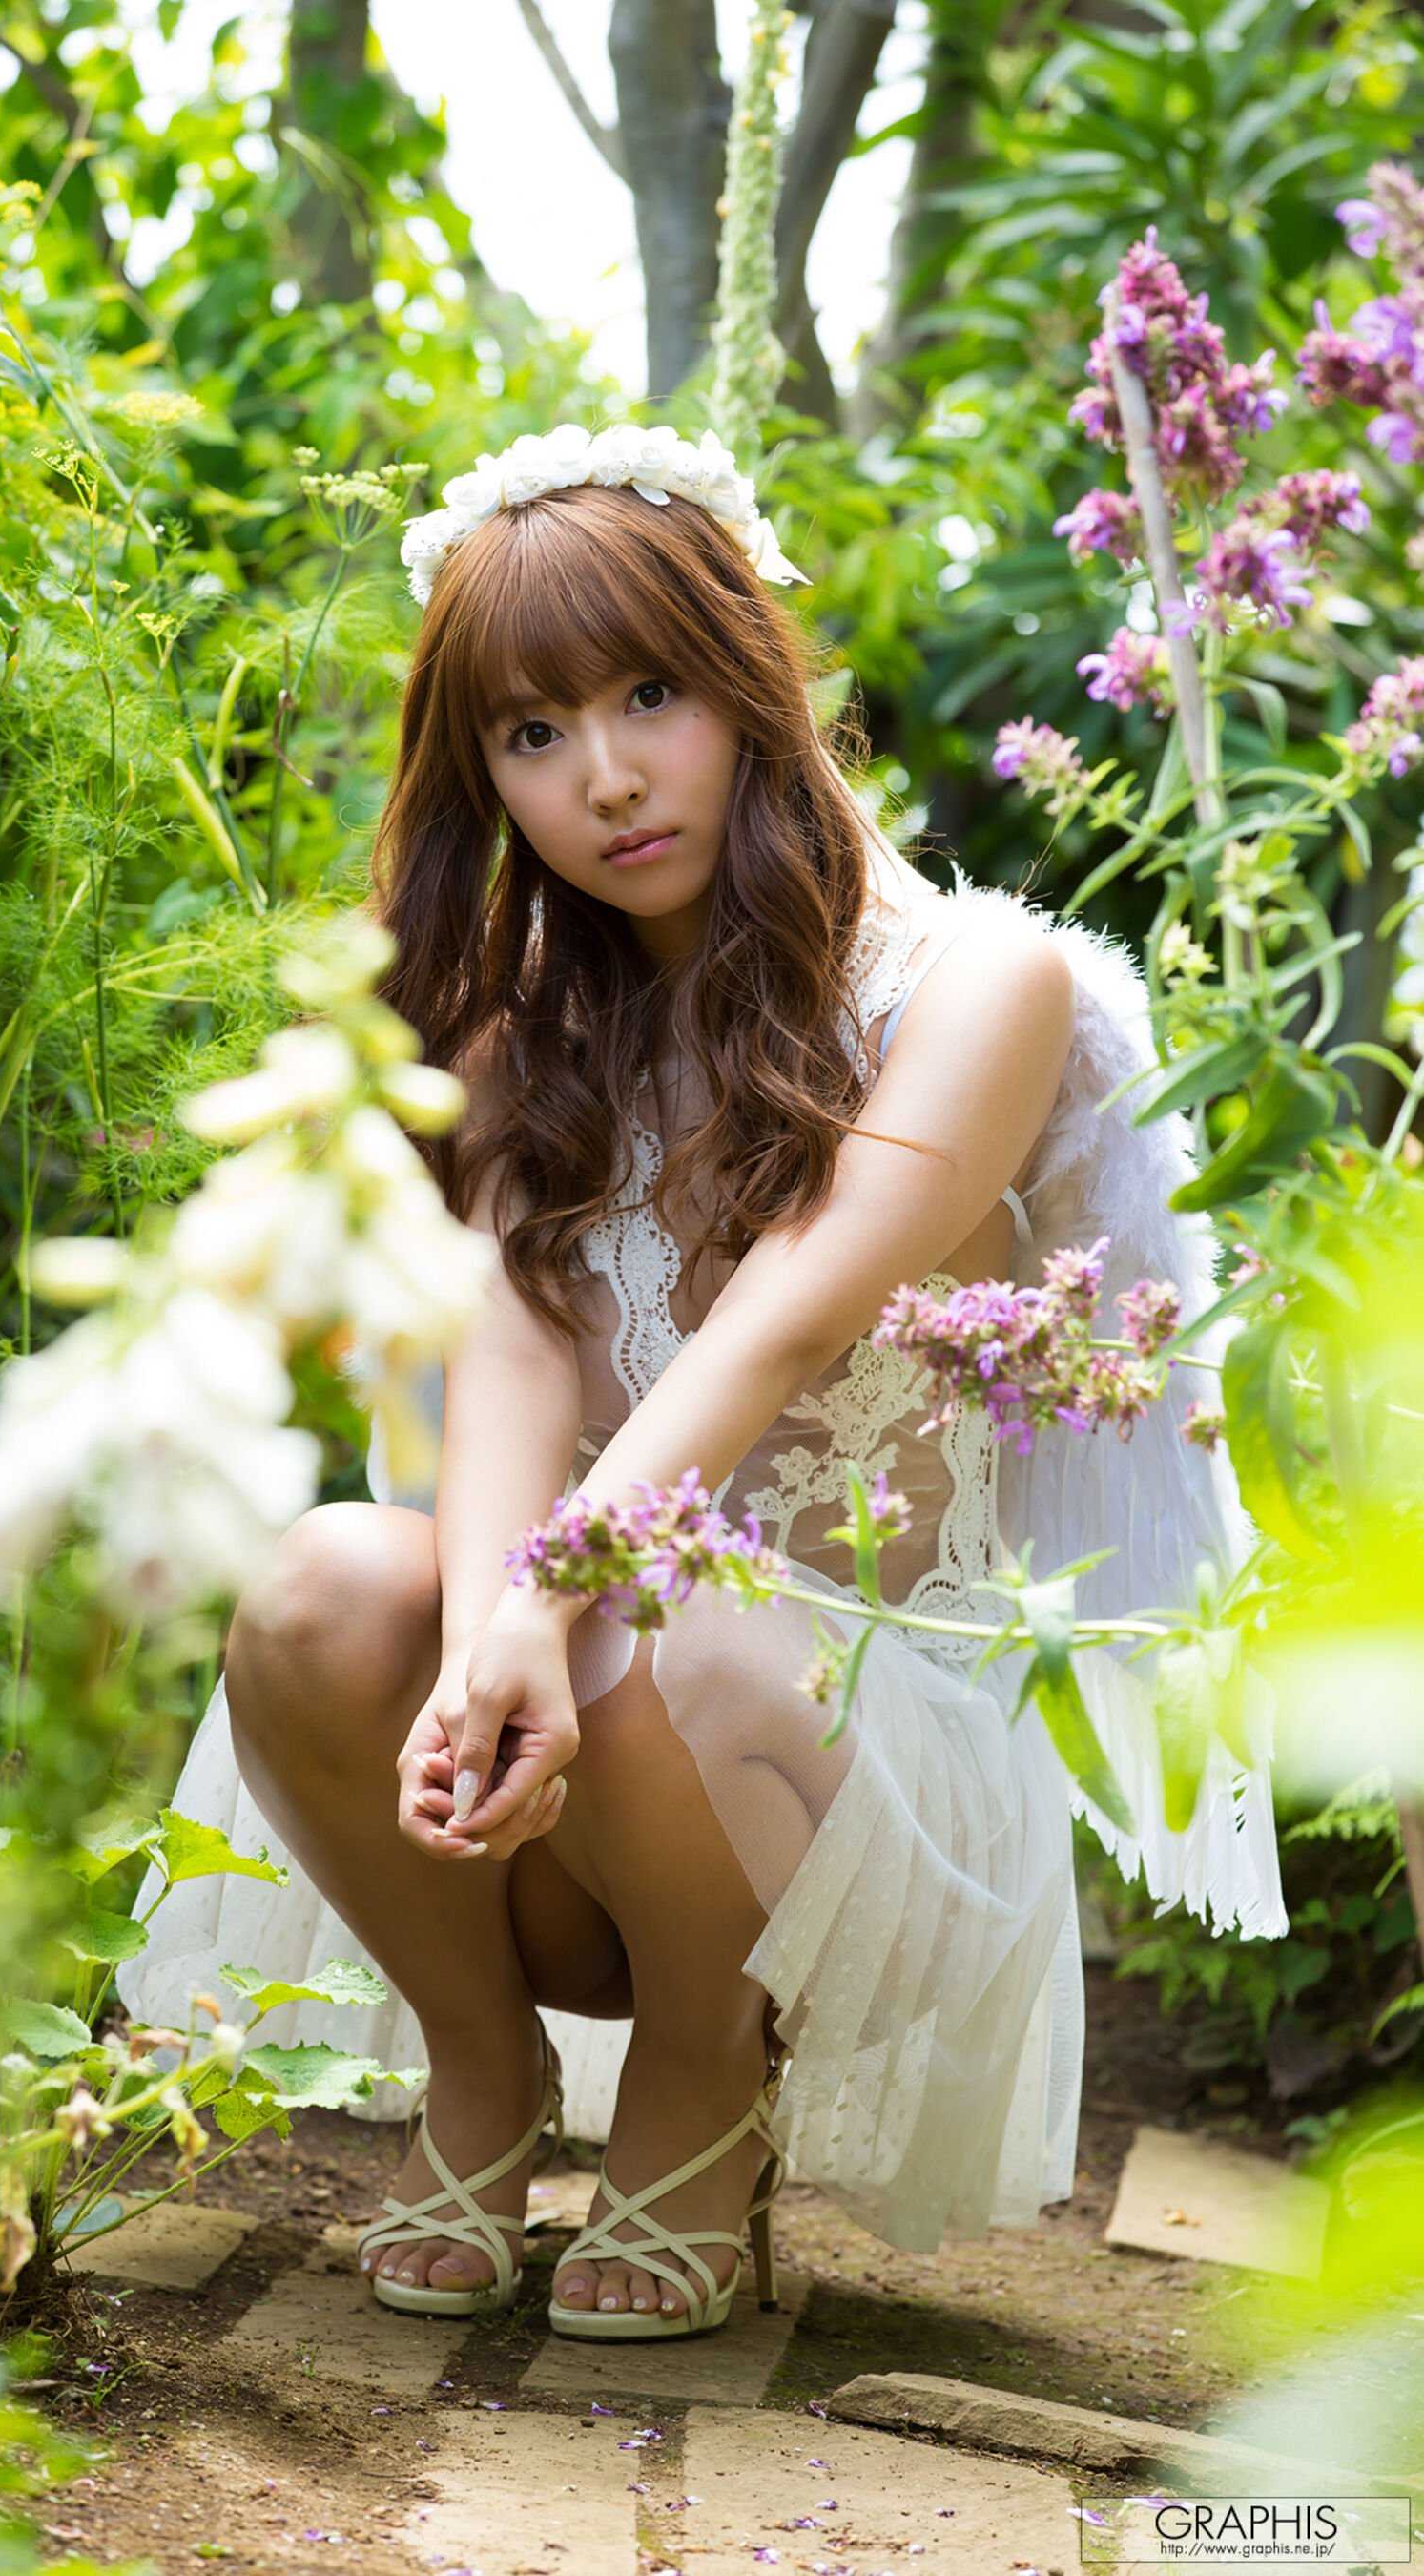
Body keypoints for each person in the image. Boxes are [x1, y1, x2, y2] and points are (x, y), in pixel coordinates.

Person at [117, 422, 1288, 2344]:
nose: (604, 775)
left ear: (748, 677)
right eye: (534, 732)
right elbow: (505, 1363)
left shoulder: (979, 987)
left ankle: (702, 2085)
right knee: (323, 1586)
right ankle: (482, 2072)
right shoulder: (519, 1031)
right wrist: (493, 1641)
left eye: (648, 694)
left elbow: (785, 1324)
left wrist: (553, 1604)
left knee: (685, 1620)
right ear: (484, 777)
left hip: (839, 1789)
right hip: (565, 1767)